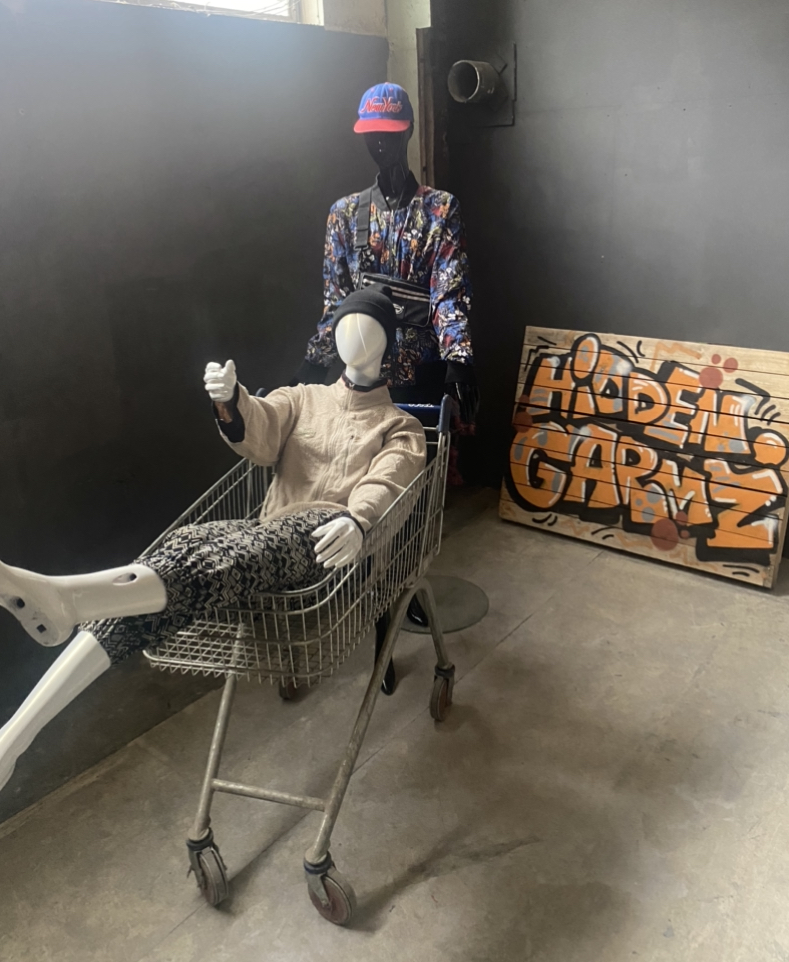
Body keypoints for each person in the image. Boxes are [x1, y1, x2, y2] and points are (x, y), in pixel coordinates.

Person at [0, 288, 425, 792]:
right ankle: (13, 739)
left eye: (367, 325)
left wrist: (358, 520)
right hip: (265, 536)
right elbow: (262, 428)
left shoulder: (401, 427)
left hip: (324, 546)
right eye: (345, 323)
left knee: (212, 562)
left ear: (387, 342)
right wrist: (231, 399)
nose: (352, 333)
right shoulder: (303, 398)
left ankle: (66, 598)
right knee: (178, 559)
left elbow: (390, 480)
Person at [293, 83, 479, 428]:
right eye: (372, 133)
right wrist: (315, 363)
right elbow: (336, 303)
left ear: (409, 130)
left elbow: (449, 293)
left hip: (424, 376)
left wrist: (459, 361)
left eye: (389, 132)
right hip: (360, 378)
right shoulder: (345, 214)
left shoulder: (440, 209)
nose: (380, 141)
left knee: (423, 457)